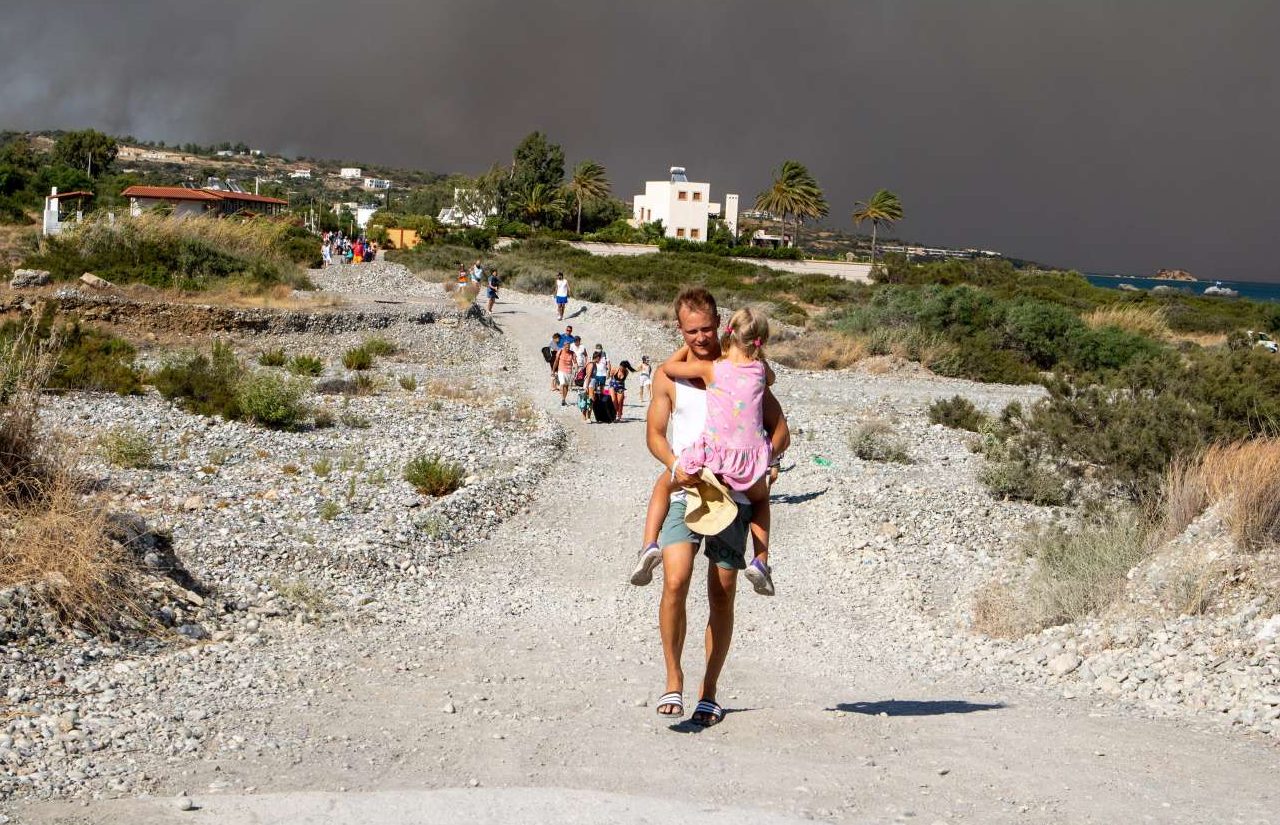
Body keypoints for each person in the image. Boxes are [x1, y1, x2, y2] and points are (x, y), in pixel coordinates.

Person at [635, 287, 789, 726]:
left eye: (706, 329)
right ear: (680, 330)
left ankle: (710, 691)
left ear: (719, 323)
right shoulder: (672, 376)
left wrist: (767, 462)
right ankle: (673, 678)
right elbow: (655, 436)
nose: (700, 337)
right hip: (689, 489)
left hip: (735, 498)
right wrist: (673, 465)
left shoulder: (741, 367)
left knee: (721, 597)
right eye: (691, 331)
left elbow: (780, 428)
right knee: (675, 580)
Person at [554, 336, 577, 406]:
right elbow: (556, 361)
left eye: (568, 347)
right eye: (566, 347)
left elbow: (575, 362)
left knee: (566, 386)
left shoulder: (572, 353)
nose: (567, 348)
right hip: (561, 370)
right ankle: (562, 398)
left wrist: (576, 368)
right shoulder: (560, 351)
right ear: (564, 346)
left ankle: (563, 399)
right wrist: (553, 370)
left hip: (569, 371)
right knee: (562, 383)